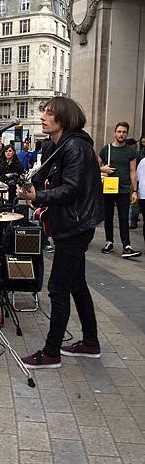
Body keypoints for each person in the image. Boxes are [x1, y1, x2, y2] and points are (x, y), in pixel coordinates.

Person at [16, 96, 104, 369]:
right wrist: (31, 188)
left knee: (58, 287)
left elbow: (72, 189)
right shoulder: (56, 146)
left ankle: (51, 352)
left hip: (75, 227)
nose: (43, 116)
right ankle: (90, 343)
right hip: (69, 224)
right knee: (77, 284)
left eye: (49, 112)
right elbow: (45, 179)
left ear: (63, 119)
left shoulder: (76, 147)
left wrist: (39, 196)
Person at [98, 122, 141, 258]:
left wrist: (135, 190)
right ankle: (109, 242)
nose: (121, 134)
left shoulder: (130, 151)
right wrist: (102, 169)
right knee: (108, 217)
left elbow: (133, 171)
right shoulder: (106, 149)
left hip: (123, 189)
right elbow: (94, 165)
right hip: (109, 187)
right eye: (119, 132)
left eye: (124, 132)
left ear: (127, 134)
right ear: (115, 133)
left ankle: (126, 246)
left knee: (123, 218)